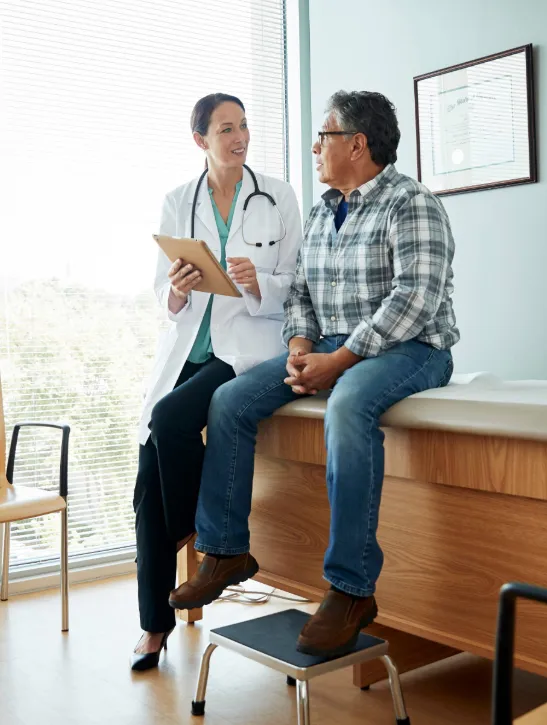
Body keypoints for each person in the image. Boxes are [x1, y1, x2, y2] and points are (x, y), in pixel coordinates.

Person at [169, 90, 460, 656]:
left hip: (411, 348)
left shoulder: (412, 203)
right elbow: (301, 291)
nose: (314, 147)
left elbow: (415, 300)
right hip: (328, 343)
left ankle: (352, 588)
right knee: (228, 400)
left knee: (348, 406)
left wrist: (340, 360)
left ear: (356, 143)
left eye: (323, 136)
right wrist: (302, 346)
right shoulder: (326, 209)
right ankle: (225, 549)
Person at [131, 93, 302, 671]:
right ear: (200, 139)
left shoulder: (276, 195)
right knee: (146, 486)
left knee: (168, 421)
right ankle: (154, 628)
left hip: (244, 349)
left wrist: (261, 282)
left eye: (245, 126)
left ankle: (193, 528)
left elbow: (296, 282)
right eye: (226, 128)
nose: (241, 137)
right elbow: (163, 294)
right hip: (186, 351)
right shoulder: (178, 201)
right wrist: (178, 287)